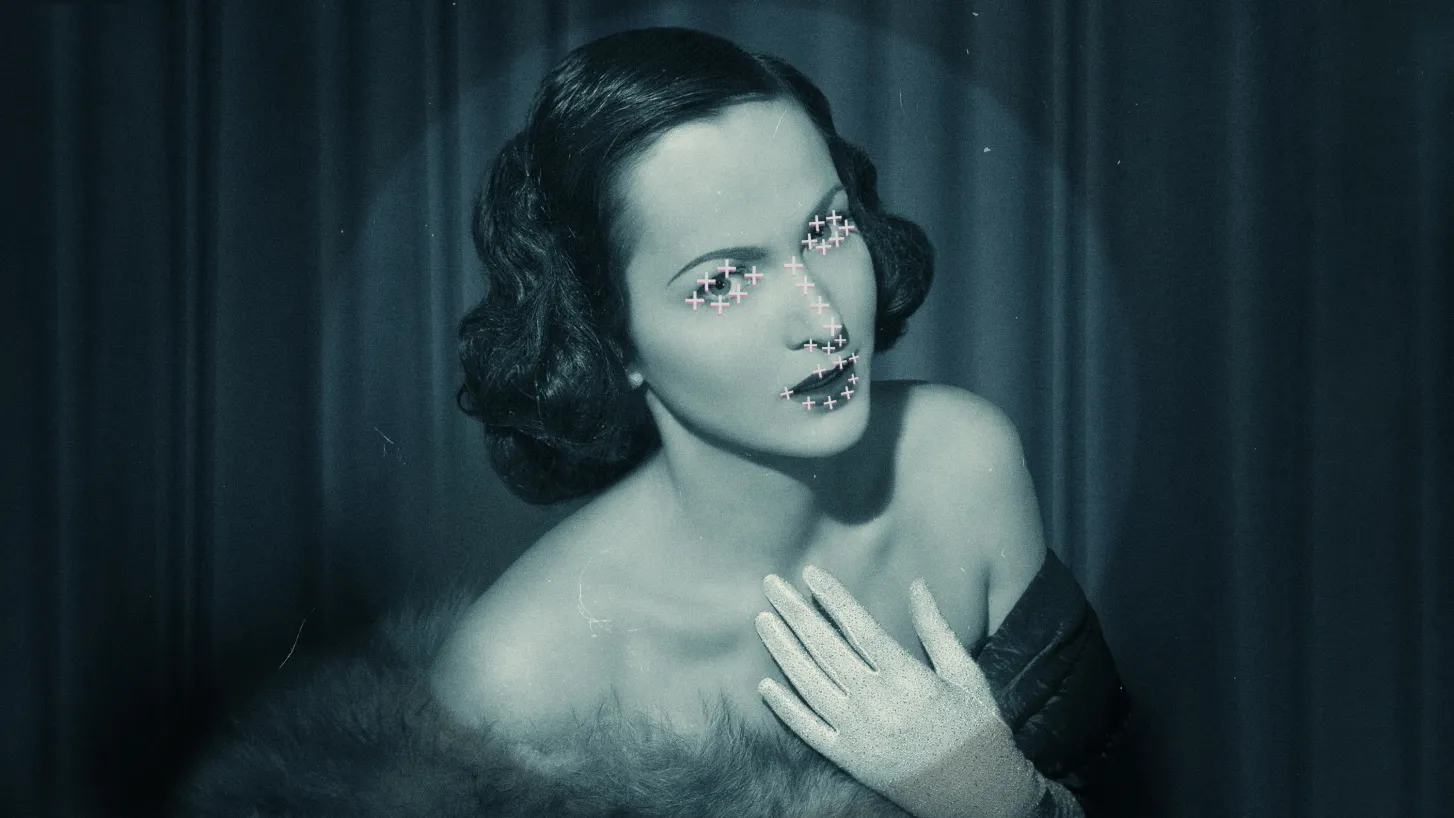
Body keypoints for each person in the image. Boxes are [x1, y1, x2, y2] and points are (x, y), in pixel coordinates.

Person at [174, 27, 1128, 818]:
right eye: (723, 281)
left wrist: (997, 798)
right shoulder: (519, 676)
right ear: (609, 336)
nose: (822, 317)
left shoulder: (962, 462)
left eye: (825, 230)